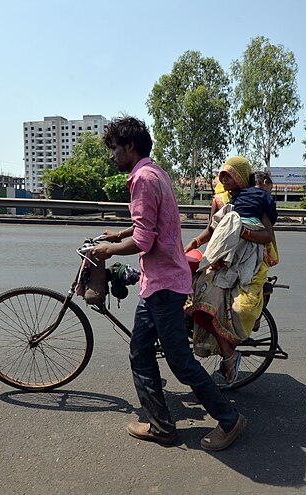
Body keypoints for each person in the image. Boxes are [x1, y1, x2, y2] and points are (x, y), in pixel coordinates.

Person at [90, 116, 246, 451]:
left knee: (180, 362)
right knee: (140, 352)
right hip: (158, 283)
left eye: (115, 149)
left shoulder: (142, 179)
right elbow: (153, 223)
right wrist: (120, 233)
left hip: (164, 286)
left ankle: (230, 420)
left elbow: (145, 241)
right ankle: (162, 426)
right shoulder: (156, 172)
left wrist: (109, 250)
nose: (113, 156)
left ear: (130, 146)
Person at [183, 157, 279, 384]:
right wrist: (194, 243)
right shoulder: (224, 199)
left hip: (243, 264)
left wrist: (242, 233)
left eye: (229, 175)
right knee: (196, 301)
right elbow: (211, 229)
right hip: (221, 261)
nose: (223, 179)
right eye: (222, 175)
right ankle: (228, 354)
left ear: (240, 176)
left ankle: (228, 355)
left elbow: (266, 235)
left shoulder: (255, 200)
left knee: (227, 307)